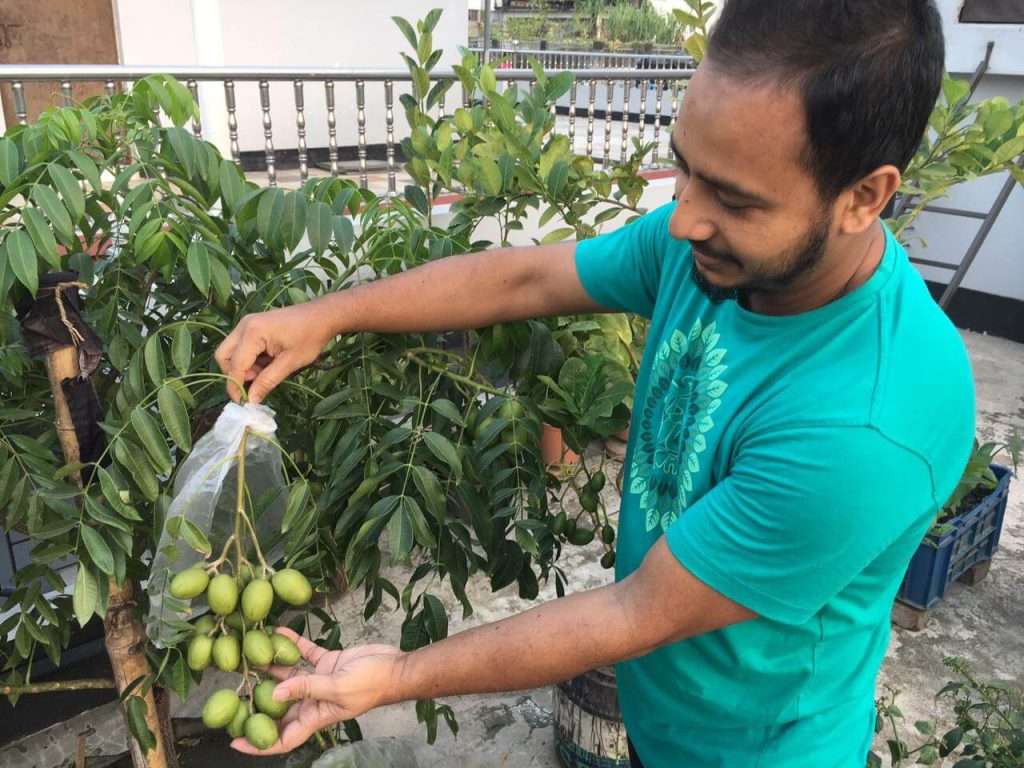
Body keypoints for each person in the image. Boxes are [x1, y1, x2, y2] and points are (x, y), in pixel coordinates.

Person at [215, 1, 975, 765]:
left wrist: (399, 674)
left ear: (864, 198)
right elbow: (523, 278)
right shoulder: (708, 250)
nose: (683, 220)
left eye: (735, 200)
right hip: (661, 724)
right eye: (685, 167)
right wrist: (331, 315)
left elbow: (634, 610)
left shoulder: (869, 426)